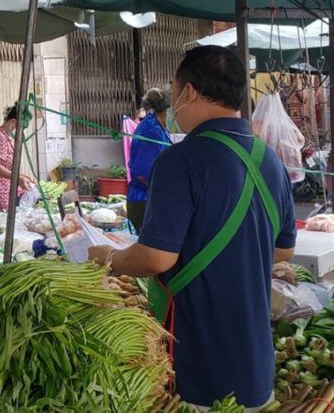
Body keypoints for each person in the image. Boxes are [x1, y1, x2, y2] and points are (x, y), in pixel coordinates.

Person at [88, 46, 296, 411]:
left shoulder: (179, 161)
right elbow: (283, 252)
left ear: (188, 92)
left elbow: (155, 258)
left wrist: (109, 257)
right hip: (257, 368)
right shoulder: (270, 161)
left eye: (174, 87)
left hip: (201, 369)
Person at [126, 88, 171, 233]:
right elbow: (141, 172)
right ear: (167, 110)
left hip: (148, 200)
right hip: (144, 202)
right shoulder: (152, 131)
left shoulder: (158, 127)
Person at [0, 106, 35, 212]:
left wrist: (22, 176)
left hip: (3, 189)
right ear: (13, 121)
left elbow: (4, 166)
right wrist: (17, 178)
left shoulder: (4, 137)